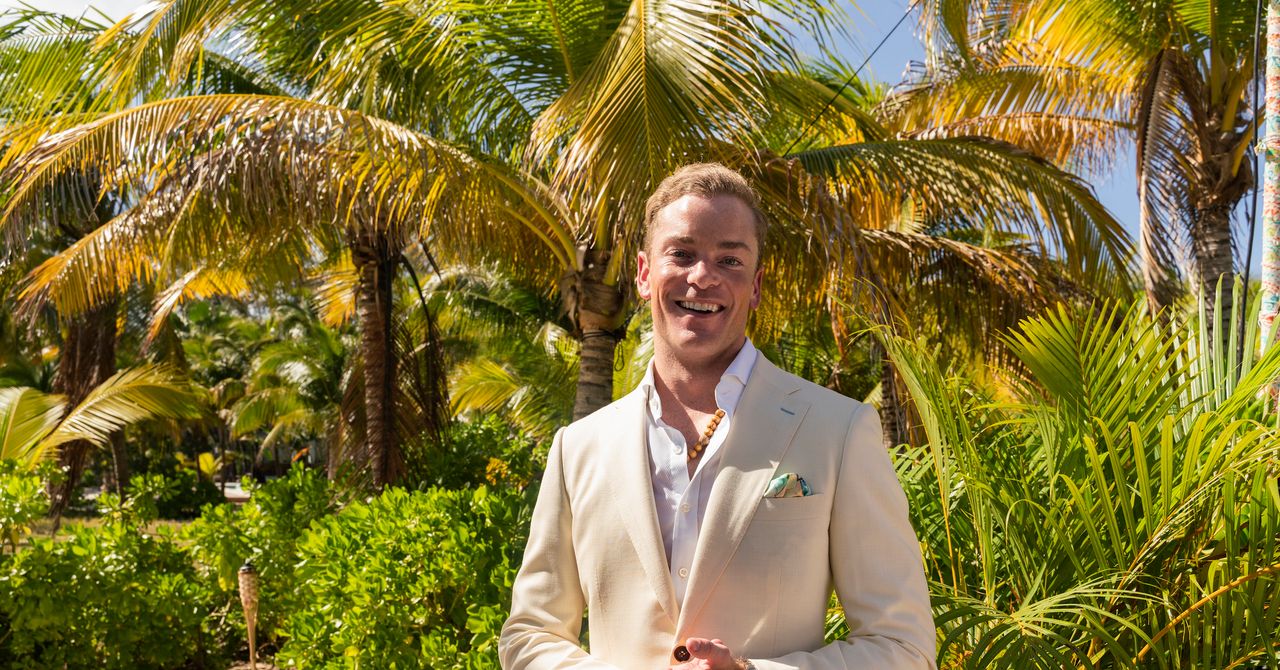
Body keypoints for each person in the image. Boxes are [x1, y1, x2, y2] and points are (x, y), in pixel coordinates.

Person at [499, 163, 935, 670]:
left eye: (729, 259)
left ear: (756, 285)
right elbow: (529, 636)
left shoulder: (838, 430)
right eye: (682, 254)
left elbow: (903, 646)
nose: (703, 276)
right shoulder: (579, 447)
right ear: (644, 274)